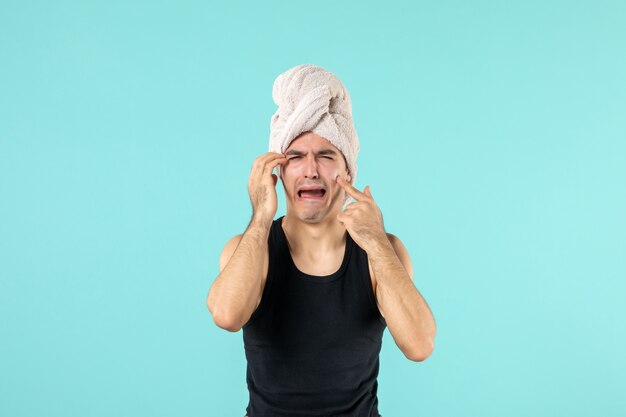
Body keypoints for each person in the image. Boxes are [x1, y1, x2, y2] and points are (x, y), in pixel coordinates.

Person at [207, 64, 436, 417]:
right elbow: (226, 315)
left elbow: (420, 345)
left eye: (326, 155)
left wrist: (375, 242)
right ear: (278, 171)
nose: (311, 169)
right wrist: (261, 216)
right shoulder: (248, 248)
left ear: (347, 171)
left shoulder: (382, 252)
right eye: (295, 157)